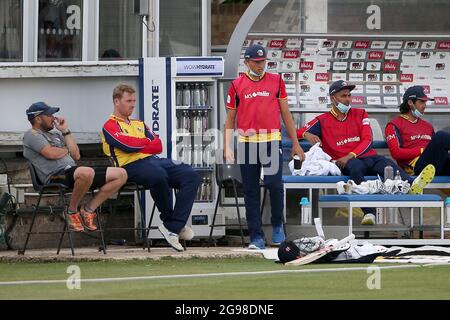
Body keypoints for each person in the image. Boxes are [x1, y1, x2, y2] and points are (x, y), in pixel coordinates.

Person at [296, 80, 435, 226]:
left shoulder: (360, 113)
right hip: (350, 163)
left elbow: (368, 140)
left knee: (386, 164)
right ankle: (369, 212)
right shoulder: (322, 120)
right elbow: (296, 132)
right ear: (333, 99)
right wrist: (306, 134)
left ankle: (413, 186)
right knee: (355, 168)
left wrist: (350, 154)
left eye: (349, 95)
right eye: (344, 96)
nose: (348, 99)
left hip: (365, 157)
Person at [101, 84, 200, 252]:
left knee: (191, 175)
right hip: (128, 167)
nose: (133, 104)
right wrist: (145, 143)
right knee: (158, 174)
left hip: (154, 161)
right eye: (128, 100)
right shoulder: (109, 125)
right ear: (117, 102)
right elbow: (126, 145)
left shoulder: (140, 124)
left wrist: (139, 144)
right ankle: (171, 223)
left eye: (134, 100)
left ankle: (173, 227)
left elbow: (158, 146)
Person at [224, 44, 305, 249]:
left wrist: (295, 143)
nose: (261, 65)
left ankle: (278, 226)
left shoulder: (276, 81)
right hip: (248, 143)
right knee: (250, 191)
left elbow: (286, 113)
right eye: (256, 62)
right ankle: (256, 237)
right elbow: (230, 118)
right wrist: (227, 147)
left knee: (274, 185)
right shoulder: (237, 85)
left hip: (271, 141)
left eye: (263, 61)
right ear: (247, 62)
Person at [23, 102, 128, 232]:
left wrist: (65, 131)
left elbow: (76, 155)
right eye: (49, 115)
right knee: (86, 172)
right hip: (55, 177)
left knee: (121, 174)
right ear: (38, 118)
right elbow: (50, 153)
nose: (54, 118)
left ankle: (88, 210)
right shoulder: (32, 135)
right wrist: (67, 149)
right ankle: (71, 212)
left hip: (74, 173)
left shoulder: (56, 135)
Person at [386, 85, 450, 177]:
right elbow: (396, 153)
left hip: (435, 164)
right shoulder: (394, 124)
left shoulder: (428, 126)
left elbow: (436, 149)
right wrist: (422, 150)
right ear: (410, 102)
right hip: (416, 168)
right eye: (421, 102)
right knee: (441, 136)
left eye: (425, 102)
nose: (424, 105)